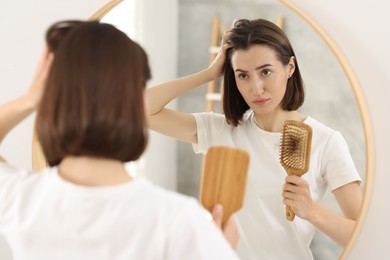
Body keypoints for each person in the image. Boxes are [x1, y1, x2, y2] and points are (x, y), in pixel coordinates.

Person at [0, 20, 240, 260]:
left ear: (52, 97)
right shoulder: (180, 220)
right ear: (137, 101)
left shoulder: (20, 199)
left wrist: (28, 100)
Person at [146, 18, 363, 259]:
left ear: (290, 67)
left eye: (266, 72)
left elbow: (363, 233)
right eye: (243, 76)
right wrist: (208, 74)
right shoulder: (222, 130)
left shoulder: (326, 141)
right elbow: (141, 109)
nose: (256, 88)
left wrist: (311, 210)